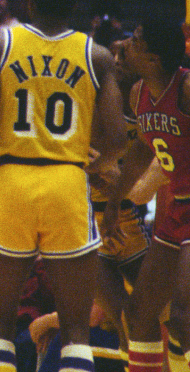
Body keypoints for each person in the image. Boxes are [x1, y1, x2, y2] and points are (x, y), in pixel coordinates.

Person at [0, 0, 125, 372]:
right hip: (66, 181)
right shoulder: (95, 55)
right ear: (73, 5)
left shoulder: (0, 44)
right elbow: (117, 138)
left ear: (29, 1)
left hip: (13, 181)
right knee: (77, 329)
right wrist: (94, 164)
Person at [104, 20, 190, 372]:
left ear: (153, 59)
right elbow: (142, 149)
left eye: (136, 41)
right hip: (178, 208)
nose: (125, 44)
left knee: (184, 316)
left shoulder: (185, 88)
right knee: (140, 311)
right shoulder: (139, 92)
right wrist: (113, 203)